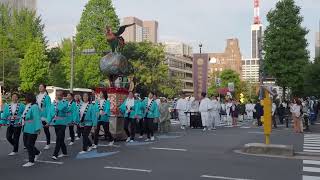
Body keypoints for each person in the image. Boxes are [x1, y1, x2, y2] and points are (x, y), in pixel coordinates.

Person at [20, 93, 42, 167]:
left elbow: (37, 118)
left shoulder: (34, 106)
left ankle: (31, 161)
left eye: (25, 98)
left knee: (29, 144)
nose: (25, 99)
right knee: (26, 144)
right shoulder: (27, 106)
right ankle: (37, 152)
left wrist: (38, 128)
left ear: (29, 98)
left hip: (32, 128)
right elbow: (23, 116)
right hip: (26, 127)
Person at [47, 90, 69, 160]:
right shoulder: (54, 103)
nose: (58, 96)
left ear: (62, 96)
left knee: (58, 138)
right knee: (61, 139)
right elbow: (51, 113)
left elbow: (61, 108)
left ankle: (55, 154)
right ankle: (65, 152)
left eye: (59, 95)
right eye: (57, 95)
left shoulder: (65, 102)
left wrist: (57, 103)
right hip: (56, 123)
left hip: (63, 122)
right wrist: (48, 122)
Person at [37, 84, 52, 150]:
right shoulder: (37, 96)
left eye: (41, 87)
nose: (40, 88)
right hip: (37, 115)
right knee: (35, 129)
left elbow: (49, 108)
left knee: (46, 130)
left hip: (44, 116)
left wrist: (48, 119)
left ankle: (48, 143)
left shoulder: (47, 97)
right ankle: (30, 143)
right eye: (39, 86)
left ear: (45, 88)